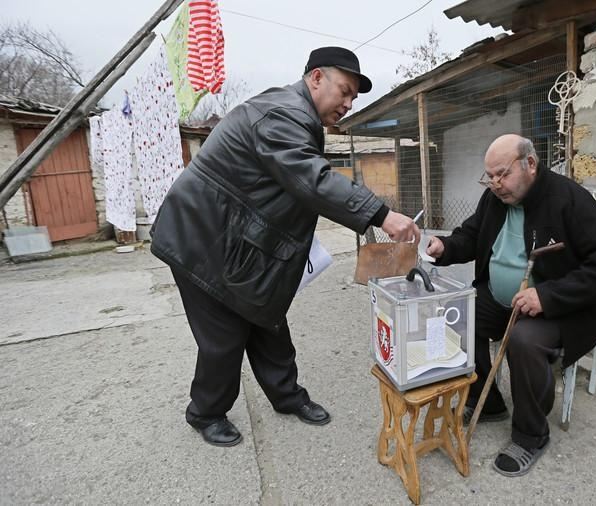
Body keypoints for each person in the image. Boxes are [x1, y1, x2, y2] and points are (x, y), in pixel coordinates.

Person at [150, 47, 420, 447]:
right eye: (343, 91)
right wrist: (382, 214)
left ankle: (287, 396)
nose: (347, 104)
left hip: (238, 241)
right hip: (202, 240)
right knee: (224, 337)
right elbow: (313, 179)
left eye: (352, 98)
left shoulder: (298, 116)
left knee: (268, 318)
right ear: (315, 78)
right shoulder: (284, 114)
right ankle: (205, 411)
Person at [426, 133, 596, 477]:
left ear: (530, 164)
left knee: (523, 339)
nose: (495, 184)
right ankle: (487, 401)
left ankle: (530, 435)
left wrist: (548, 296)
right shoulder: (493, 200)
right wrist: (444, 248)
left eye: (503, 174)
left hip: (564, 309)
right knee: (457, 316)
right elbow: (471, 236)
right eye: (489, 176)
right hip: (504, 298)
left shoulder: (569, 200)